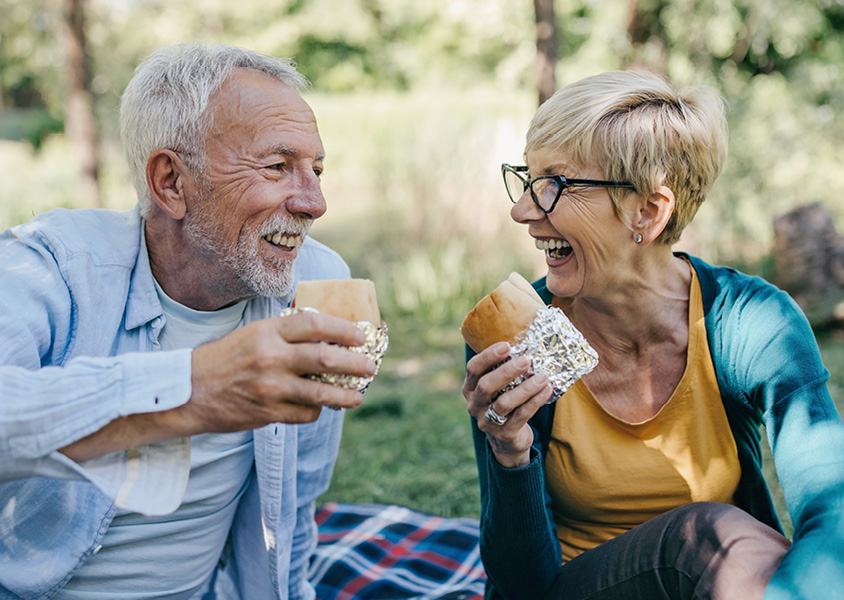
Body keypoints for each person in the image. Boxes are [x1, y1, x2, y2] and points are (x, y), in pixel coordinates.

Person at [0, 42, 377, 599]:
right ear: (171, 183)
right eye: (277, 167)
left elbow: (295, 505)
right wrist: (193, 390)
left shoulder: (320, 283)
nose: (315, 202)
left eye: (316, 170)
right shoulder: (48, 268)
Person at [464, 70, 844, 600]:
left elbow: (834, 506)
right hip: (569, 589)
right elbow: (521, 585)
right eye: (527, 180)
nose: (523, 210)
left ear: (649, 210)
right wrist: (510, 452)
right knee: (704, 537)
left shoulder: (750, 322)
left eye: (554, 184)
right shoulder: (516, 332)